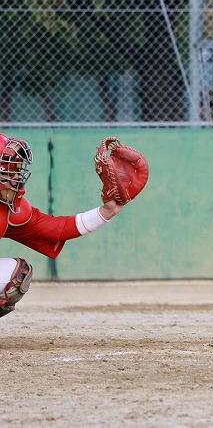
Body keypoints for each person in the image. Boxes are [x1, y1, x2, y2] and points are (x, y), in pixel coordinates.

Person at [0, 133, 125, 319]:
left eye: (17, 168)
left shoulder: (10, 210)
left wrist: (106, 212)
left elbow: (56, 228)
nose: (17, 176)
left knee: (17, 274)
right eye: (10, 168)